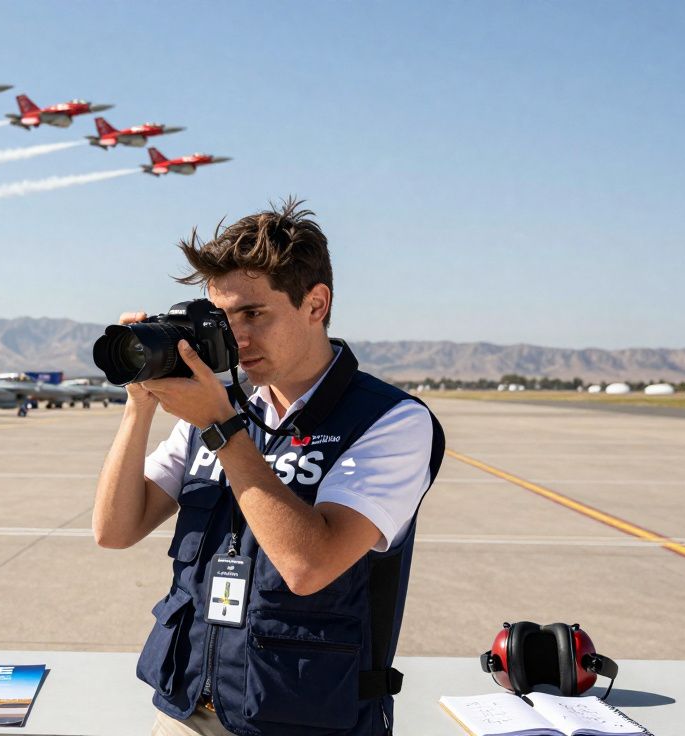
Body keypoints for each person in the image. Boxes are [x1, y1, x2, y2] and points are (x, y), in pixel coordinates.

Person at [92, 198, 444, 736]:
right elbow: (114, 531)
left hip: (306, 721)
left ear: (316, 303)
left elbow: (308, 566)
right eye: (223, 319)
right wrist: (139, 404)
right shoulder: (219, 413)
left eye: (254, 314)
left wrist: (223, 429)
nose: (238, 339)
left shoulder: (390, 421)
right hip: (189, 710)